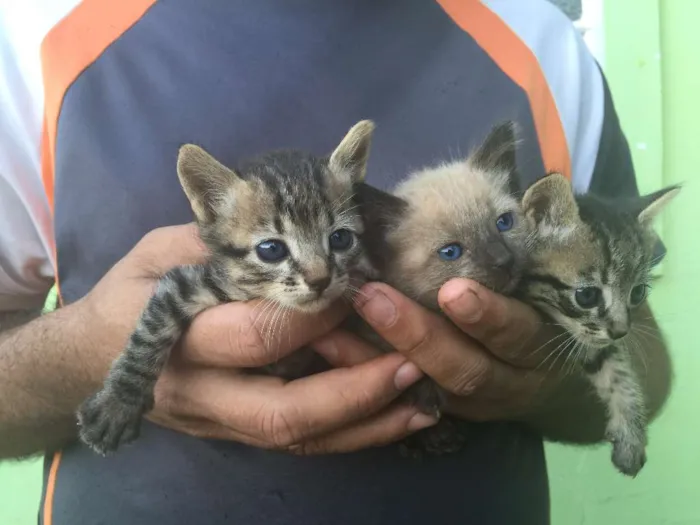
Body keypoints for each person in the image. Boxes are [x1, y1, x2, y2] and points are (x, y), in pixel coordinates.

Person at [0, 1, 671, 524]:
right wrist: (91, 358)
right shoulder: (34, 44)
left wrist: (545, 382)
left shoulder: (546, 49)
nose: (321, 274)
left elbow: (645, 353)